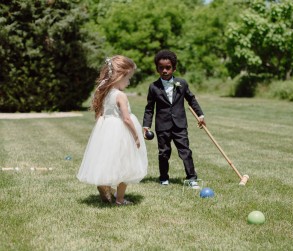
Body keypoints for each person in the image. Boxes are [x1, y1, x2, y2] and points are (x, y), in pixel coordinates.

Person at [77, 55, 147, 205]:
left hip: (108, 129)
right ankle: (120, 199)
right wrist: (136, 135)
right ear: (120, 76)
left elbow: (101, 114)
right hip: (121, 131)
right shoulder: (120, 95)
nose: (129, 82)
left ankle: (106, 186)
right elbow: (126, 119)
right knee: (126, 164)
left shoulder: (106, 93)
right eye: (128, 78)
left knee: (110, 160)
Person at [142, 49, 205, 189]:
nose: (164, 70)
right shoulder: (153, 87)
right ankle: (164, 178)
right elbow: (149, 108)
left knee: (185, 151)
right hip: (162, 125)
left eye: (168, 67)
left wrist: (200, 115)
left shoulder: (181, 83)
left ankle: (192, 178)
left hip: (180, 124)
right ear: (157, 69)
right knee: (164, 153)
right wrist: (146, 125)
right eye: (161, 68)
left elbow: (191, 99)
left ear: (174, 68)